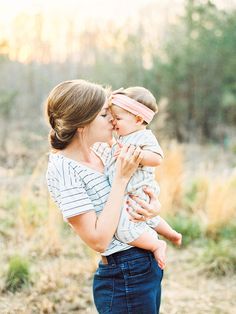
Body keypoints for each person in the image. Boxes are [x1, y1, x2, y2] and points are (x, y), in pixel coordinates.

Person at [45, 80, 164, 314]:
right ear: (82, 123)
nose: (112, 119)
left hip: (146, 265)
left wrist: (153, 207)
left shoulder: (103, 149)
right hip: (123, 276)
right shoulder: (63, 169)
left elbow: (134, 190)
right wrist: (120, 180)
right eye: (103, 114)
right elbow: (98, 240)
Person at [107, 86, 182, 269]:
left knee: (126, 228)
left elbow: (157, 158)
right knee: (149, 218)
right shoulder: (123, 137)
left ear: (138, 119)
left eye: (118, 118)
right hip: (128, 192)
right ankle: (171, 233)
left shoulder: (144, 137)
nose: (113, 122)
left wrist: (137, 154)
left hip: (138, 189)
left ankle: (157, 244)